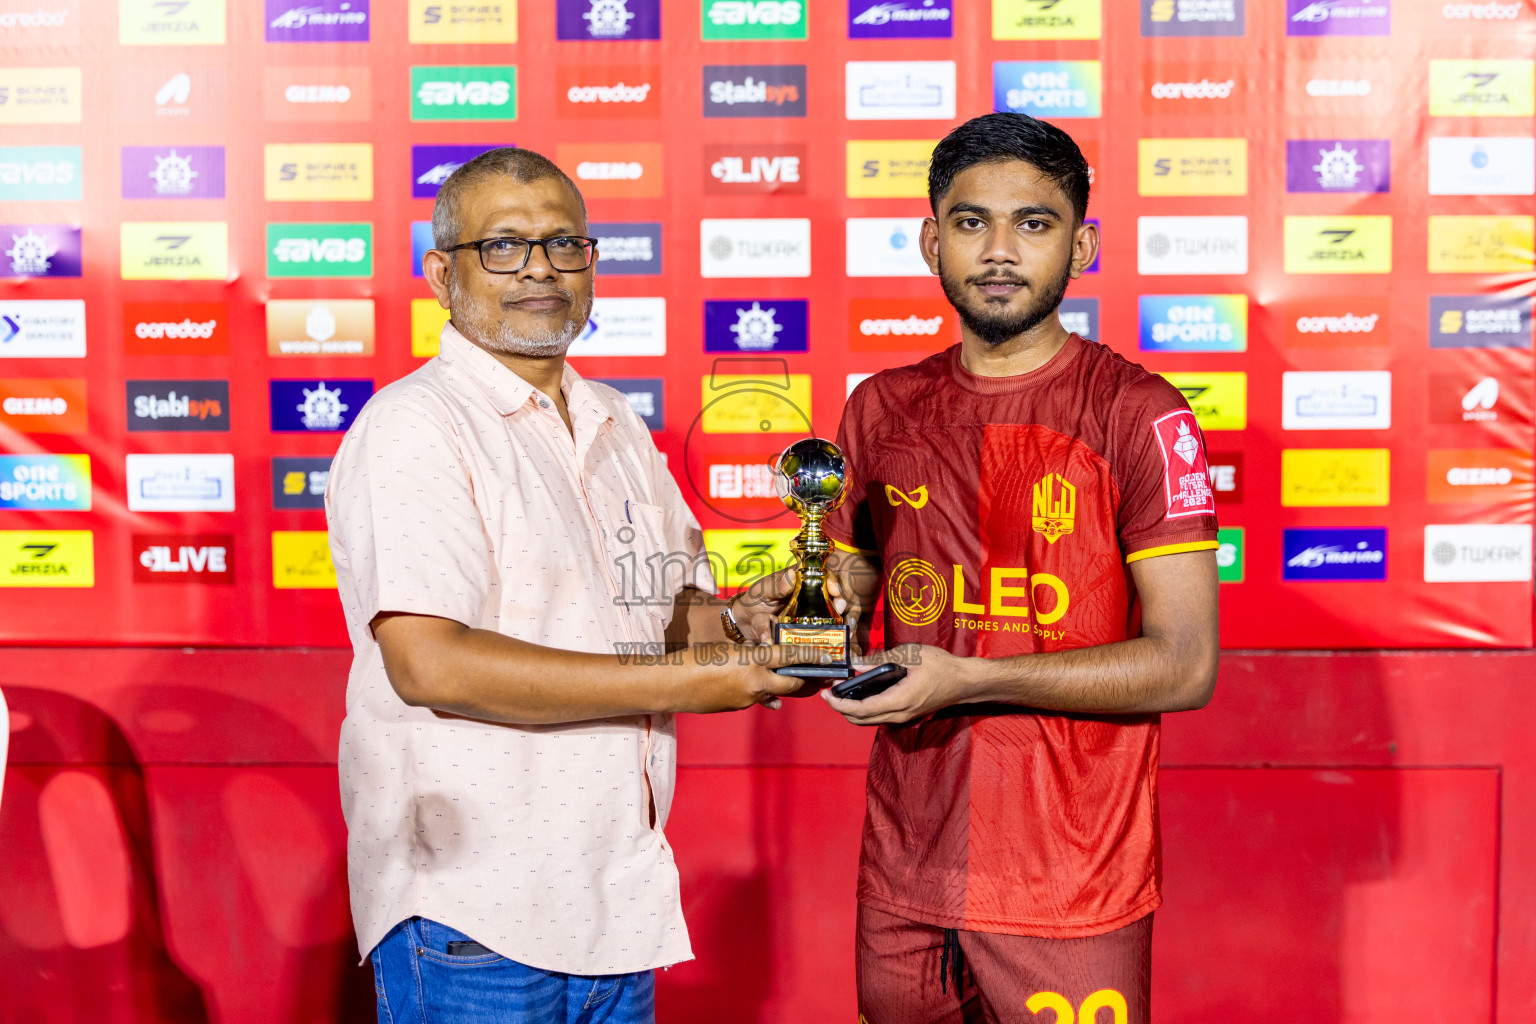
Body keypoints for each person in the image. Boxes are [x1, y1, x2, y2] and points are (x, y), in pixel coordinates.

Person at [324, 147, 814, 1024]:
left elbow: (676, 623)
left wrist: (759, 614)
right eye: (504, 247)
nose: (541, 268)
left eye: (565, 244)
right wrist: (694, 681)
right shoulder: (414, 426)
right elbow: (433, 666)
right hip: (473, 918)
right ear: (442, 274)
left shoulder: (616, 422)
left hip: (613, 908)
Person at [818, 113, 1221, 1023]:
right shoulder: (879, 408)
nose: (999, 251)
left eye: (1033, 224)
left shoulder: (1139, 413)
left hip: (1070, 887)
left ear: (1082, 246)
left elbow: (1185, 664)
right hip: (905, 874)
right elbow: (837, 608)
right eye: (971, 223)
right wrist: (784, 614)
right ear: (932, 240)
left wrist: (966, 680)